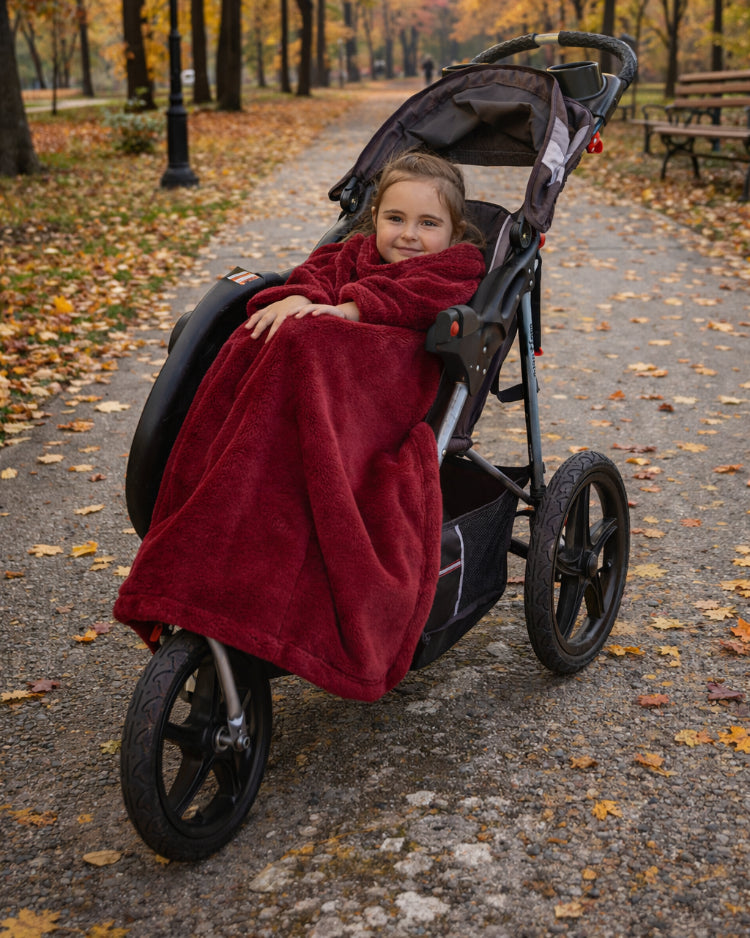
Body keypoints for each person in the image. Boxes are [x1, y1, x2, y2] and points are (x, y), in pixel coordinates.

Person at [114, 150, 486, 702]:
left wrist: (348, 311)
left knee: (307, 336)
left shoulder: (453, 266)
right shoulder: (351, 253)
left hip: (391, 372)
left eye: (428, 223)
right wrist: (297, 298)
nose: (408, 235)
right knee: (265, 329)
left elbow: (417, 299)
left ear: (453, 232)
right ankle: (234, 461)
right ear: (374, 217)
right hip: (327, 359)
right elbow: (313, 277)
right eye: (395, 218)